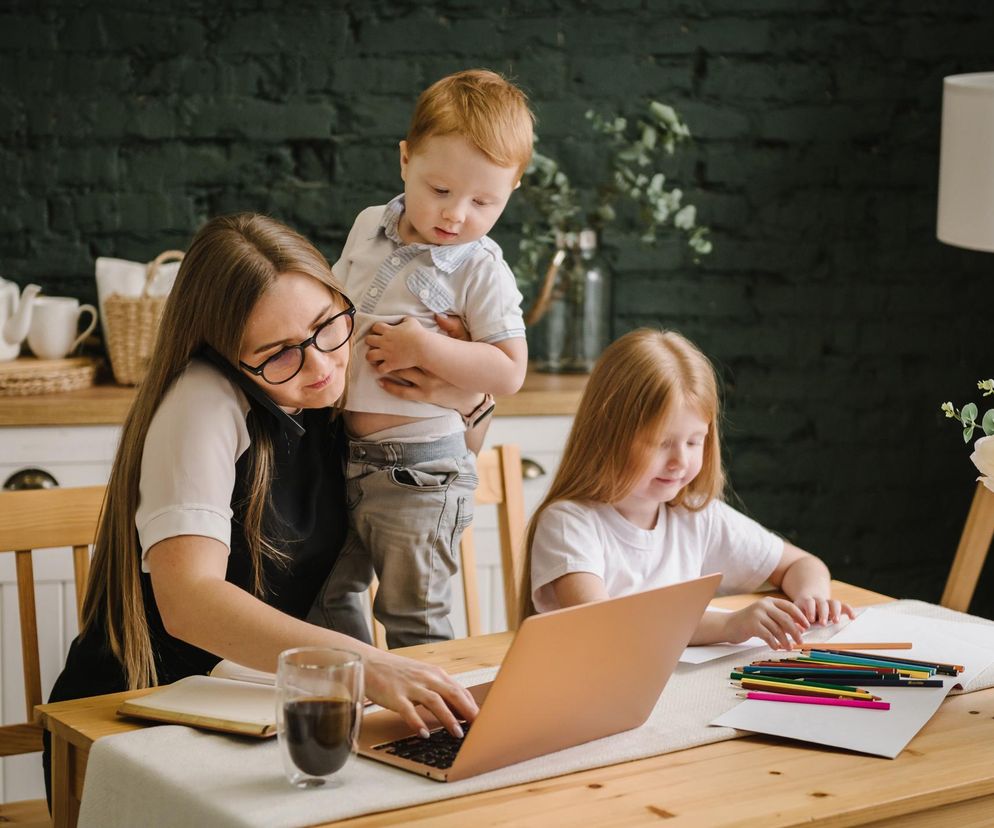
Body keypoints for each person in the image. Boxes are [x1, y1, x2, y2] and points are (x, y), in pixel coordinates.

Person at [43, 213, 485, 800]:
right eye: (279, 353)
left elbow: (437, 472)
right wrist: (368, 667)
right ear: (225, 353)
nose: (322, 364)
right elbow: (189, 602)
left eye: (328, 324)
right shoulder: (202, 401)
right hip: (135, 717)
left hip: (251, 701)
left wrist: (459, 398)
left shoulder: (339, 367)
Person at [308, 68, 534, 648]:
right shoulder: (367, 226)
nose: (456, 214)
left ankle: (434, 732)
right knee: (322, 597)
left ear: (511, 192)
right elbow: (330, 304)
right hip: (341, 454)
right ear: (405, 160)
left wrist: (425, 347)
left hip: (421, 471)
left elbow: (509, 371)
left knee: (413, 617)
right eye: (439, 190)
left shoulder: (482, 269)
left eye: (483, 201)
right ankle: (359, 701)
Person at [524, 328, 855, 649]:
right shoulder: (569, 524)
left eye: (695, 441)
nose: (679, 461)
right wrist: (728, 624)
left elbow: (802, 565)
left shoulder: (695, 514)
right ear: (609, 435)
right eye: (662, 443)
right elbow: (608, 626)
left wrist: (812, 598)